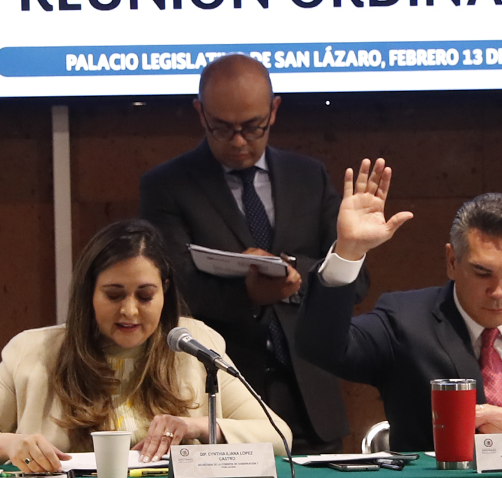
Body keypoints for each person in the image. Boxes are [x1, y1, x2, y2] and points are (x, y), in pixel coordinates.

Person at [0, 219, 288, 473]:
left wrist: (197, 427)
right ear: (88, 294)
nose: (130, 311)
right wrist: (8, 446)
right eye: (114, 295)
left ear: (165, 292)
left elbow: (278, 435)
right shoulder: (34, 352)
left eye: (145, 295)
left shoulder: (194, 344)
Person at [293, 171, 502, 450]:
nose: (498, 291)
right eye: (482, 273)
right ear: (452, 261)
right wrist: (348, 253)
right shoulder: (405, 321)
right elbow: (321, 348)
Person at [139, 54, 361, 452]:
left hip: (311, 397)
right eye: (222, 128)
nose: (239, 141)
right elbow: (174, 289)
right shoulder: (167, 185)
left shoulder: (308, 176)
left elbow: (353, 281)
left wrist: (289, 275)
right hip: (223, 396)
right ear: (200, 113)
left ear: (274, 111)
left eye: (252, 127)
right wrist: (249, 296)